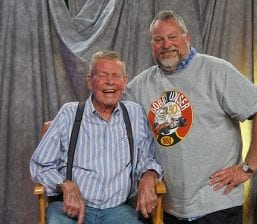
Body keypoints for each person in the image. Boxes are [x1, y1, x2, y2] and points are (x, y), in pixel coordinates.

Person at [123, 10, 257, 224]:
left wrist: (247, 168)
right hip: (169, 206)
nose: (166, 44)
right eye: (158, 39)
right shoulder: (141, 84)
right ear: (151, 45)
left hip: (216, 204)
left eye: (172, 37)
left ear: (187, 38)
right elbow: (113, 115)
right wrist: (146, 174)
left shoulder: (216, 71)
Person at [30, 50, 162, 224]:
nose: (110, 82)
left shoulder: (134, 114)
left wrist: (149, 175)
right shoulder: (69, 114)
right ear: (90, 81)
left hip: (118, 210)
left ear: (125, 81)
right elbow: (40, 164)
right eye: (103, 75)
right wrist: (64, 184)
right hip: (71, 209)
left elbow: (148, 158)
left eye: (116, 76)